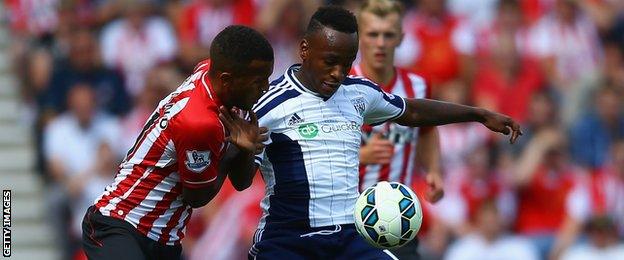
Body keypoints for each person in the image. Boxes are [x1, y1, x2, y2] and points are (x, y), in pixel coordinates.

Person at [249, 6, 520, 259]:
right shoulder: (270, 105)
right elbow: (240, 178)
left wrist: (479, 114)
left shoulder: (360, 92)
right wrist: (243, 149)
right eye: (330, 62)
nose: (338, 73)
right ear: (304, 49)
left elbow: (413, 112)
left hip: (351, 235)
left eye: (346, 64)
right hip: (289, 239)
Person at [81, 25, 274, 260]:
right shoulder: (199, 122)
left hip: (165, 239)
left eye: (267, 78)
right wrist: (233, 152)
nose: (264, 88)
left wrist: (245, 150)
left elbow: (241, 182)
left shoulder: (216, 76)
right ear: (227, 80)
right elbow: (197, 197)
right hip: (121, 224)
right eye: (257, 81)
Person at [350, 0, 442, 258]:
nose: (380, 43)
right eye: (373, 34)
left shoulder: (418, 87)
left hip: (400, 221)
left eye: (388, 35)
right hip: (348, 217)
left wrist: (434, 170)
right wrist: (361, 156)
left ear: (401, 38)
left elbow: (427, 130)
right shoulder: (341, 86)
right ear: (360, 38)